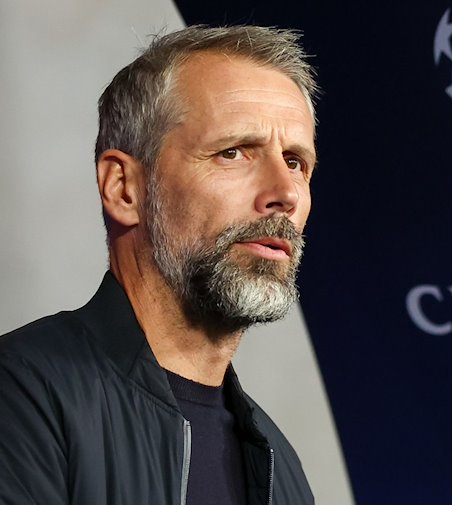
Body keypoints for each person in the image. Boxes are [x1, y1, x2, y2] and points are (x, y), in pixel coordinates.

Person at [0, 25, 319, 505]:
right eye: (233, 152)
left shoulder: (281, 467)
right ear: (124, 188)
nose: (285, 193)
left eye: (296, 161)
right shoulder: (22, 394)